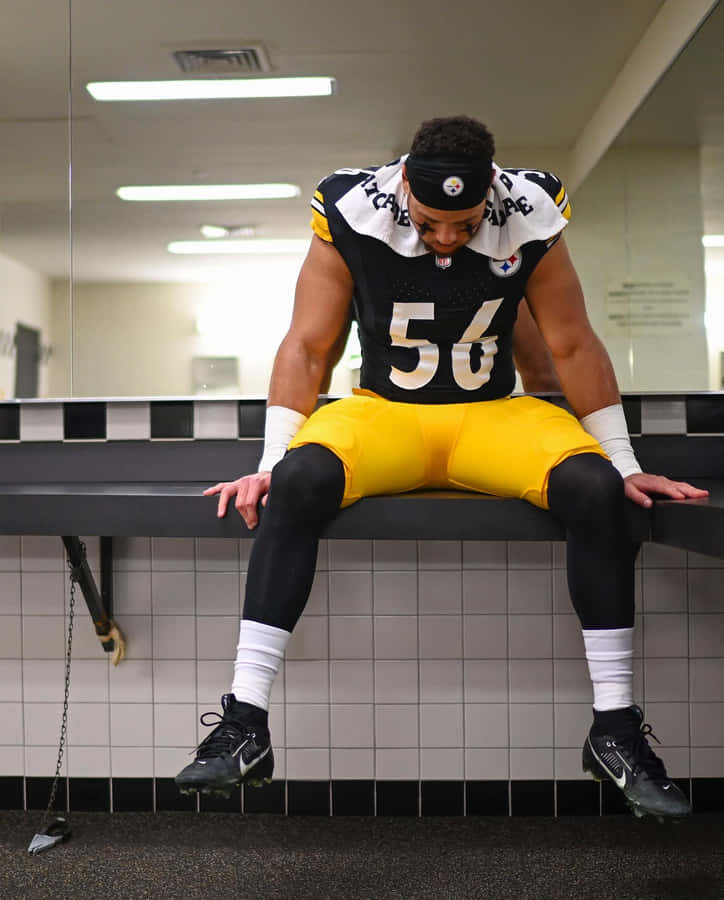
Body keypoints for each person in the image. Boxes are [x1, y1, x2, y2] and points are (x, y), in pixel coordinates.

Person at [175, 115, 707, 819]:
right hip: (385, 413)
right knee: (298, 483)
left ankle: (614, 729)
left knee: (597, 489)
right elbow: (308, 345)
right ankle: (245, 722)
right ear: (403, 190)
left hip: (492, 416)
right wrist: (271, 460)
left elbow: (573, 344)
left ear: (491, 191)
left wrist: (624, 461)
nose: (449, 237)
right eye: (431, 222)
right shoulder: (352, 208)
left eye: (465, 221)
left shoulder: (529, 209)